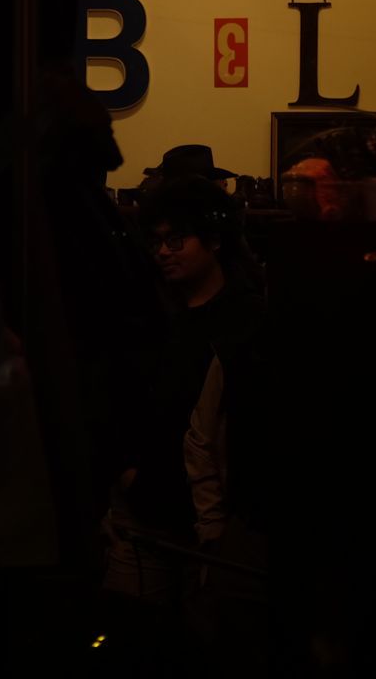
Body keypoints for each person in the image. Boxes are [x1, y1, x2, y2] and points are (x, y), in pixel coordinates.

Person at [105, 177, 262, 608]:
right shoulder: (150, 313)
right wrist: (125, 472)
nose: (162, 253)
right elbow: (117, 394)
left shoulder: (245, 319)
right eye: (156, 243)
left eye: (176, 241)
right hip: (143, 512)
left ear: (213, 241)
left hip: (210, 520)